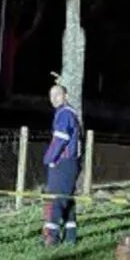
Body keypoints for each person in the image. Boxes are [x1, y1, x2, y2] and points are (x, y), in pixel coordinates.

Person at [42, 84, 82, 246]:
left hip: (63, 162)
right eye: (51, 95)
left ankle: (52, 237)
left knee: (55, 200)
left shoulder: (64, 114)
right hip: (71, 163)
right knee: (67, 199)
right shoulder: (69, 113)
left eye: (57, 94)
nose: (54, 98)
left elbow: (60, 139)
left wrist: (49, 158)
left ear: (65, 96)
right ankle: (71, 236)